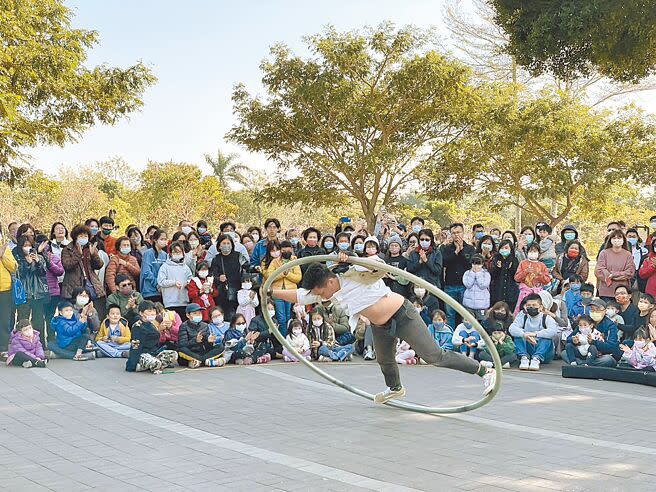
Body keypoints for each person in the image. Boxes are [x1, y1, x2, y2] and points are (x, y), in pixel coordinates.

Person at [269, 254, 495, 403]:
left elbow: (378, 262)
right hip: (380, 325)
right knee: (384, 360)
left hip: (403, 315)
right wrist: (270, 292)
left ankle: (484, 371)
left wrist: (352, 258)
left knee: (434, 355)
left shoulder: (353, 272)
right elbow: (301, 296)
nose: (319, 297)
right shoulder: (328, 289)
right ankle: (395, 388)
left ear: (328, 282)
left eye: (319, 292)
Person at [13, 234, 51, 348]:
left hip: (38, 293)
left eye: (29, 245)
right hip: (24, 294)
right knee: (23, 320)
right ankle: (20, 345)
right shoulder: (18, 258)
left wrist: (37, 261)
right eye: (25, 245)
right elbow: (19, 274)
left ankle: (40, 345)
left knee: (39, 321)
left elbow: (43, 272)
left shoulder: (39, 256)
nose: (27, 247)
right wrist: (27, 263)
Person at [561, 298, 620, 366]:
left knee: (608, 359)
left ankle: (581, 364)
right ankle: (586, 364)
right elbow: (569, 339)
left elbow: (611, 347)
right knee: (564, 353)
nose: (594, 312)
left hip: (599, 355)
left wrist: (594, 342)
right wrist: (573, 340)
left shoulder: (610, 325)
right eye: (592, 309)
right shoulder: (585, 321)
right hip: (582, 353)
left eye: (597, 309)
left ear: (605, 311)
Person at [509, 293, 559, 371]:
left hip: (545, 353)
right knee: (518, 335)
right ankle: (524, 358)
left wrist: (535, 334)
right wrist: (525, 335)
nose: (531, 307)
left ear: (540, 307)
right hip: (529, 348)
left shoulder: (546, 318)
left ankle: (536, 359)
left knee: (546, 337)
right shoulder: (523, 316)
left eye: (534, 305)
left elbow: (553, 331)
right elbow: (512, 328)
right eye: (528, 305)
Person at [126, 300, 178, 373]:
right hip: (143, 354)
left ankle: (152, 365)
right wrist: (132, 364)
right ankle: (147, 365)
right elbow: (135, 346)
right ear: (141, 313)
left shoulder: (152, 324)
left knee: (173, 354)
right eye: (149, 311)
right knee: (155, 363)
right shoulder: (137, 326)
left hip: (154, 353)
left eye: (154, 311)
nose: (153, 313)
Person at [440, 223, 476, 330]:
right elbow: (444, 263)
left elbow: (470, 264)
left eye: (458, 232)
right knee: (450, 314)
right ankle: (450, 338)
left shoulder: (470, 249)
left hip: (465, 286)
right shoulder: (446, 249)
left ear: (463, 233)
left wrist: (462, 252)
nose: (456, 235)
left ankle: (464, 338)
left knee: (465, 314)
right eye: (454, 233)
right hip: (450, 286)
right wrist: (455, 252)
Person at [261, 240, 301, 335]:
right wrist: (282, 273)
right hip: (277, 293)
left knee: (288, 316)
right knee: (281, 318)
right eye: (283, 250)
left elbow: (298, 277)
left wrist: (288, 274)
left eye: (288, 250)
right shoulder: (275, 261)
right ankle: (282, 339)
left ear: (291, 249)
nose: (286, 252)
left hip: (290, 293)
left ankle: (289, 337)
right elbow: (270, 276)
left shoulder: (294, 261)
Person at [61, 224, 106, 309]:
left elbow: (99, 265)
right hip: (74, 286)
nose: (84, 238)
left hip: (90, 283)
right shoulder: (67, 249)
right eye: (81, 236)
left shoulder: (90, 247)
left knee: (93, 312)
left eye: (86, 236)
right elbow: (67, 265)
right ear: (75, 237)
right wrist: (78, 254)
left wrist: (94, 255)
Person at [211, 233, 248, 319]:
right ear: (219, 246)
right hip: (222, 293)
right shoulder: (216, 259)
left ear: (232, 245)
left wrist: (255, 268)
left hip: (238, 291)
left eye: (228, 243)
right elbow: (212, 276)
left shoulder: (238, 256)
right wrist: (218, 278)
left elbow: (247, 267)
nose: (226, 245)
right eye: (224, 243)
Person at [177, 303, 226, 368]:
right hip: (191, 353)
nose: (198, 315)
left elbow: (207, 344)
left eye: (199, 313)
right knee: (181, 350)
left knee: (220, 346)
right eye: (195, 313)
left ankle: (199, 361)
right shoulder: (184, 326)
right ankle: (206, 361)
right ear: (188, 315)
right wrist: (195, 340)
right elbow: (182, 344)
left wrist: (209, 341)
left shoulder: (205, 325)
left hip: (202, 353)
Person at [595, 230, 635, 302]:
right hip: (606, 292)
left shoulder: (628, 254)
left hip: (622, 291)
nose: (617, 240)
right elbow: (599, 271)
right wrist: (618, 275)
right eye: (614, 238)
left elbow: (630, 272)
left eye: (619, 238)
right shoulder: (604, 253)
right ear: (610, 240)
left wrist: (612, 275)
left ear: (623, 240)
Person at [157, 241, 192, 318]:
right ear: (170, 254)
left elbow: (190, 279)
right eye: (174, 252)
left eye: (179, 252)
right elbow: (161, 281)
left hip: (184, 302)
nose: (177, 254)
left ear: (183, 253)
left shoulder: (186, 267)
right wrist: (173, 282)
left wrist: (188, 283)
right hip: (170, 303)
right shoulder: (165, 266)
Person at [513, 243, 551, 315]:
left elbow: (547, 280)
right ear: (527, 253)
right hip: (525, 292)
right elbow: (516, 278)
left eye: (535, 251)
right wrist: (525, 272)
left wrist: (540, 274)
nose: (532, 253)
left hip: (537, 292)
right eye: (530, 251)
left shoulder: (542, 265)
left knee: (536, 311)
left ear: (539, 253)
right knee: (522, 310)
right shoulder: (523, 263)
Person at [479, 302, 516, 368]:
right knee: (481, 354)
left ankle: (493, 364)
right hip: (491, 352)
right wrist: (494, 342)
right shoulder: (487, 321)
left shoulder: (510, 322)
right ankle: (500, 364)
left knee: (513, 355)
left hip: (504, 353)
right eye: (497, 310)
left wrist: (502, 342)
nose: (499, 312)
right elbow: (486, 347)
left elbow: (510, 349)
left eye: (502, 311)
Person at [408, 229, 443, 295]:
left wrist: (426, 261)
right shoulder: (414, 253)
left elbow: (438, 271)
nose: (424, 241)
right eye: (422, 239)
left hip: (432, 287)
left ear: (431, 240)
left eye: (427, 240)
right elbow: (409, 269)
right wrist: (419, 262)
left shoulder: (436, 253)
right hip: (416, 288)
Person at [140, 229, 169, 303]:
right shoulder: (148, 253)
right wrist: (157, 284)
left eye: (165, 239)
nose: (164, 241)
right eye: (161, 239)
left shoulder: (165, 255)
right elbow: (146, 272)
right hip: (149, 291)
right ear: (155, 240)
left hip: (162, 292)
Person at [0, 234, 17, 353]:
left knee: (4, 320)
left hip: (4, 288)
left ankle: (3, 349)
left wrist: (3, 255)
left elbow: (14, 267)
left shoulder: (5, 248)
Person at [489, 239, 519, 309]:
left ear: (511, 249)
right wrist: (498, 268)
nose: (504, 250)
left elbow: (516, 277)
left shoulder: (514, 260)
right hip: (497, 294)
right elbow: (492, 276)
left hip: (510, 295)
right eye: (502, 248)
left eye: (506, 248)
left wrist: (511, 269)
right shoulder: (496, 259)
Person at [462, 254, 491, 321]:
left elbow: (483, 285)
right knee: (468, 322)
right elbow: (468, 285)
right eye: (474, 263)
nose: (476, 266)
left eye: (478, 264)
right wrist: (472, 273)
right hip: (468, 304)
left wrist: (478, 274)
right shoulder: (467, 273)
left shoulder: (486, 274)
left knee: (482, 324)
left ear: (482, 264)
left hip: (482, 305)